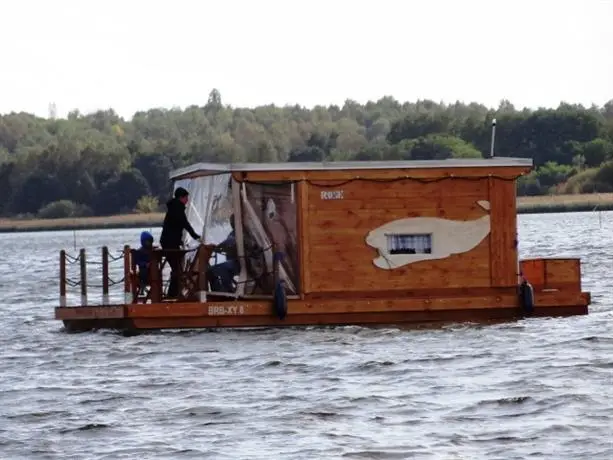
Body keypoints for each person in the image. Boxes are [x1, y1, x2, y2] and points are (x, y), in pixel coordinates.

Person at [160, 187, 201, 298]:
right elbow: (185, 223)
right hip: (170, 243)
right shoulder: (177, 208)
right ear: (181, 197)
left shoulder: (174, 207)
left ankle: (174, 293)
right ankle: (173, 294)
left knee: (177, 269)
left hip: (168, 242)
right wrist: (195, 236)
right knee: (177, 270)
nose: (187, 200)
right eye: (186, 197)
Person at [208, 215, 240, 293]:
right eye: (231, 222)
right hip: (234, 260)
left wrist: (219, 247)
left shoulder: (240, 233)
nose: (231, 224)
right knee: (210, 270)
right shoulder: (233, 233)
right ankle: (218, 290)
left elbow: (230, 242)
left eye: (232, 222)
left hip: (240, 263)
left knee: (220, 266)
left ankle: (228, 290)